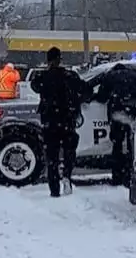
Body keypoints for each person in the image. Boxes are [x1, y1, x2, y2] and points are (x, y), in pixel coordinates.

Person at [30, 47, 93, 197]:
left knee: (51, 156)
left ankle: (54, 188)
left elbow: (34, 86)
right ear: (60, 59)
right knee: (69, 151)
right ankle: (66, 175)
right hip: (67, 120)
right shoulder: (70, 76)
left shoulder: (43, 77)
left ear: (48, 60)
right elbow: (86, 90)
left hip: (50, 122)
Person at [95, 63, 136, 186]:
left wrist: (93, 97)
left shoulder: (109, 76)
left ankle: (117, 175)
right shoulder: (135, 76)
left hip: (117, 112)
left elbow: (102, 96)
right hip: (132, 114)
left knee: (117, 144)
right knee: (132, 145)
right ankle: (130, 175)